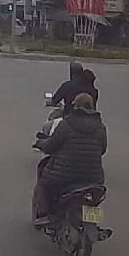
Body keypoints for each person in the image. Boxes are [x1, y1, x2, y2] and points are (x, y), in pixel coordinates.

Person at [32, 92, 107, 226]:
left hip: (64, 176)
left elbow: (51, 146)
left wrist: (40, 143)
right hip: (94, 177)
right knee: (94, 198)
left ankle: (43, 215)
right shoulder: (100, 127)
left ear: (75, 106)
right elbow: (102, 150)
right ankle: (94, 221)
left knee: (44, 184)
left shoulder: (66, 124)